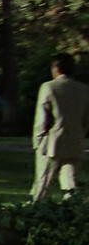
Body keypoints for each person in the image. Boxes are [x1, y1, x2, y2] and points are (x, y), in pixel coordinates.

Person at [32, 53, 89, 201]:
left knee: (43, 182)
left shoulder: (49, 87)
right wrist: (80, 133)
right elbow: (86, 119)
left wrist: (38, 141)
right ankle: (71, 208)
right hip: (75, 140)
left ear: (56, 68)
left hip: (52, 142)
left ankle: (35, 207)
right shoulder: (84, 89)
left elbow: (42, 118)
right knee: (70, 181)